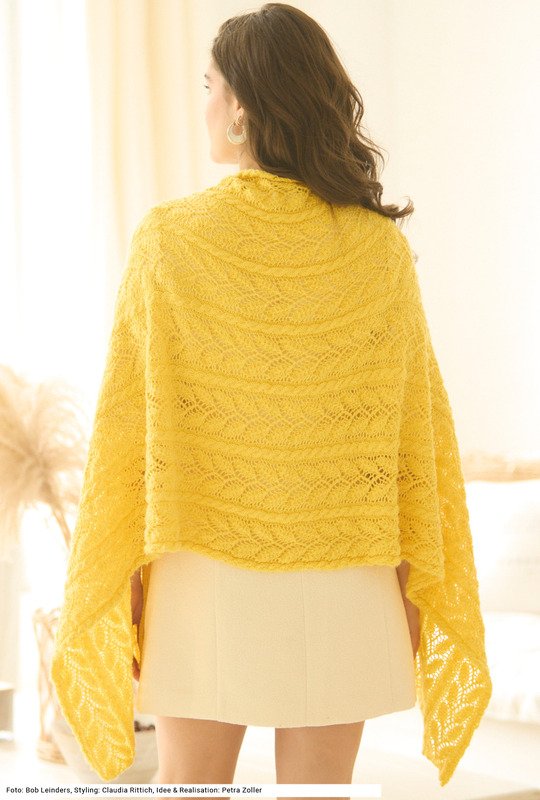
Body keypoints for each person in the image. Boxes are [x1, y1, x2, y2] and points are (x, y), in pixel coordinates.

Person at [51, 2, 491, 793]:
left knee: (191, 784)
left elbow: (128, 432)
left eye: (208, 86)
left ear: (243, 109)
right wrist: (411, 583)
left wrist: (128, 581)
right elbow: (415, 439)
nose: (202, 104)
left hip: (204, 570)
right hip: (349, 576)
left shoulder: (168, 241)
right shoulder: (377, 250)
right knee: (319, 794)